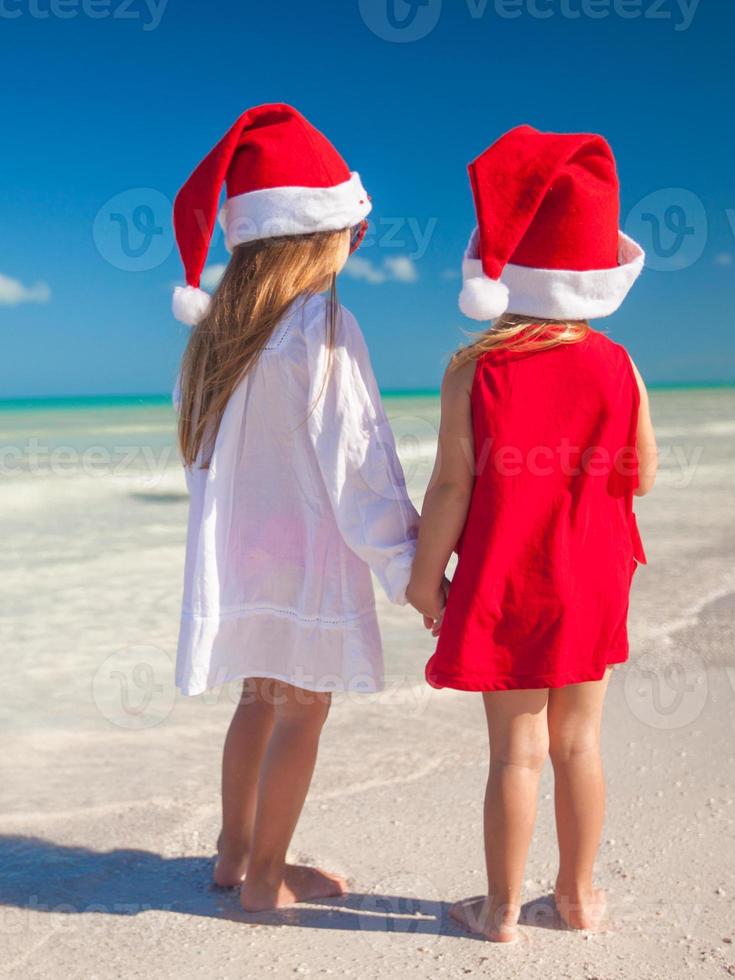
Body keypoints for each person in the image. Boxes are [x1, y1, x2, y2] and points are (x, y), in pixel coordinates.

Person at [407, 125, 657, 942]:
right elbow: (642, 476)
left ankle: (502, 910)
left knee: (515, 751)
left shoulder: (475, 366)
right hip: (592, 577)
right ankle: (579, 897)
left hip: (509, 578)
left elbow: (451, 485)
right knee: (579, 743)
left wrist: (422, 574)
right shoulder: (618, 364)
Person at [171, 104, 418, 911]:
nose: (362, 241)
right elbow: (358, 463)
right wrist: (407, 564)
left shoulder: (215, 335)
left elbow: (210, 461)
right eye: (354, 226)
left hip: (246, 552)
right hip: (309, 552)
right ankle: (266, 881)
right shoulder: (321, 323)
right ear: (314, 235)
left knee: (257, 698)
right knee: (303, 711)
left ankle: (233, 854)